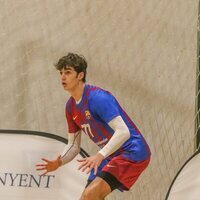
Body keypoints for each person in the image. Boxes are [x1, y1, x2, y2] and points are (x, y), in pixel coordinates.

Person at [36, 53, 151, 200]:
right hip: (110, 154)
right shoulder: (70, 107)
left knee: (90, 195)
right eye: (61, 73)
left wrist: (99, 155)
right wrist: (59, 162)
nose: (63, 77)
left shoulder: (98, 97)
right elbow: (73, 146)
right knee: (86, 197)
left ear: (80, 75)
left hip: (132, 152)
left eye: (68, 72)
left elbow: (124, 132)